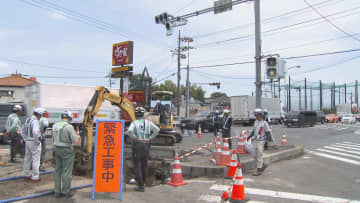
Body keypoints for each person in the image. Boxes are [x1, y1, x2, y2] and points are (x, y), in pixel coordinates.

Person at [127, 107, 160, 192]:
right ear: (143, 114)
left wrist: (135, 138)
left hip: (137, 145)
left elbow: (129, 131)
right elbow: (157, 130)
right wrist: (150, 138)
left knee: (137, 165)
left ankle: (140, 185)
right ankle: (143, 183)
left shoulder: (134, 123)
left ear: (135, 114)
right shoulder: (148, 123)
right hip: (146, 145)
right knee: (144, 165)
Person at [52, 111, 77, 198]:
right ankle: (66, 191)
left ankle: (57, 191)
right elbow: (75, 140)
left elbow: (53, 139)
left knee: (58, 170)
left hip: (56, 149)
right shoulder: (69, 127)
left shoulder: (55, 125)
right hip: (66, 150)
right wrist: (78, 136)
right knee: (67, 171)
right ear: (69, 118)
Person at [246, 108, 271, 176]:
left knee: (259, 155)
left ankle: (259, 170)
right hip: (255, 141)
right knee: (254, 155)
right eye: (256, 115)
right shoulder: (255, 122)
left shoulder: (264, 123)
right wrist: (249, 136)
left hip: (261, 141)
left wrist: (267, 142)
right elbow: (254, 131)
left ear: (261, 115)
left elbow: (268, 132)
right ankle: (262, 164)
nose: (256, 117)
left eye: (258, 115)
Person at [22, 108, 43, 182]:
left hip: (28, 141)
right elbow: (35, 131)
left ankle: (26, 174)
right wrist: (38, 138)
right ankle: (35, 176)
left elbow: (23, 130)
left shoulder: (28, 119)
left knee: (27, 158)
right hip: (34, 142)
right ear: (39, 114)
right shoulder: (35, 121)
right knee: (36, 159)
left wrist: (25, 139)